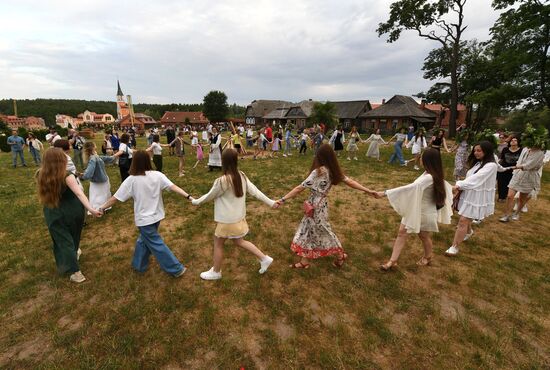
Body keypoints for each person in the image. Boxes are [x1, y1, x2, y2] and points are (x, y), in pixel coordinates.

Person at [279, 144, 375, 269]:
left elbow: (299, 188)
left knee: (322, 230)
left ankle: (340, 255)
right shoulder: (333, 171)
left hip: (315, 205)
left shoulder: (318, 172)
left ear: (319, 157)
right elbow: (350, 182)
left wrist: (282, 199)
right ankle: (304, 261)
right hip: (321, 204)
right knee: (308, 230)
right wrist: (367, 190)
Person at [99, 150, 192, 277]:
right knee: (143, 240)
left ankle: (176, 269)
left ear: (134, 163)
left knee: (156, 244)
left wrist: (102, 207)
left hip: (145, 220)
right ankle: (139, 266)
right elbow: (173, 187)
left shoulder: (131, 180)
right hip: (157, 216)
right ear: (148, 161)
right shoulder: (157, 175)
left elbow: (115, 198)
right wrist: (188, 196)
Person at [191, 149, 278, 280]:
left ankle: (216, 272)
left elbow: (209, 196)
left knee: (218, 243)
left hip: (227, 221)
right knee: (239, 241)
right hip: (238, 219)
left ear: (223, 162)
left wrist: (195, 201)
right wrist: (270, 202)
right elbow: (256, 191)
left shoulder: (223, 180)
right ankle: (264, 258)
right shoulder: (241, 175)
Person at [375, 148, 453, 270]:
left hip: (424, 212)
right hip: (416, 210)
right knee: (402, 233)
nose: (420, 159)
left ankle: (427, 257)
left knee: (423, 236)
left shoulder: (429, 177)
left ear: (428, 160)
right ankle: (393, 261)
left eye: (422, 157)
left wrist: (384, 193)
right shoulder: (429, 174)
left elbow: (410, 188)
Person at [37, 148, 102, 283]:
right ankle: (74, 265)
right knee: (72, 237)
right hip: (73, 211)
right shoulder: (68, 175)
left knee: (63, 241)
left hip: (53, 212)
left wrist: (91, 209)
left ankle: (73, 266)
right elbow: (79, 193)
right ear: (62, 160)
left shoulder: (40, 174)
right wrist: (91, 209)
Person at [445, 141, 498, 256]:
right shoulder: (478, 163)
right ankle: (469, 232)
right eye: (475, 150)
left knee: (463, 220)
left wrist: (459, 185)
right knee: (465, 217)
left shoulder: (491, 165)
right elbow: (471, 178)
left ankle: (454, 247)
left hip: (477, 197)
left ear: (487, 151)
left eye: (479, 150)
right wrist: (461, 185)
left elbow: (477, 179)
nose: (476, 153)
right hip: (469, 194)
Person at [499, 141, 546, 222]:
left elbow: (529, 166)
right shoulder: (525, 149)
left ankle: (516, 213)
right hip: (518, 174)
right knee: (510, 196)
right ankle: (506, 215)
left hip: (529, 177)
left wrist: (514, 167)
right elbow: (520, 160)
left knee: (522, 198)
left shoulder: (540, 153)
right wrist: (516, 170)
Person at [80, 142, 114, 211]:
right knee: (99, 196)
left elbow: (103, 158)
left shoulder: (95, 155)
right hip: (98, 181)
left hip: (102, 179)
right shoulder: (93, 158)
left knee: (103, 194)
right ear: (92, 147)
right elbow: (89, 173)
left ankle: (104, 206)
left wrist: (113, 157)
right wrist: (84, 175)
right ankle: (98, 208)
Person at [496, 136, 522, 202]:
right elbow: (501, 159)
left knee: (510, 184)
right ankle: (501, 197)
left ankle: (509, 196)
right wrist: (497, 166)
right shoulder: (505, 149)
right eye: (511, 140)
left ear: (518, 142)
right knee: (501, 183)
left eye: (515, 140)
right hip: (504, 169)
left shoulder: (521, 150)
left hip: (515, 170)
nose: (513, 141)